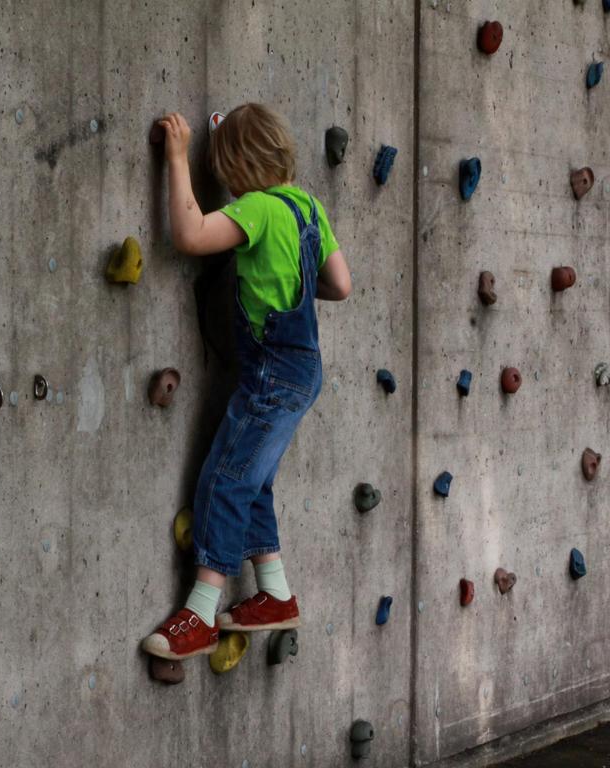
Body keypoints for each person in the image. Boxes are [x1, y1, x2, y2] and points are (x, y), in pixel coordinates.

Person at [142, 104, 352, 660]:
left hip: (269, 374)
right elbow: (341, 284)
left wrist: (179, 155)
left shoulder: (256, 210)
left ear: (233, 166)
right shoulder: (309, 206)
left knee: (225, 479)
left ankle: (202, 611)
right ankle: (274, 595)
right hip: (303, 369)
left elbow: (188, 234)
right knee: (254, 478)